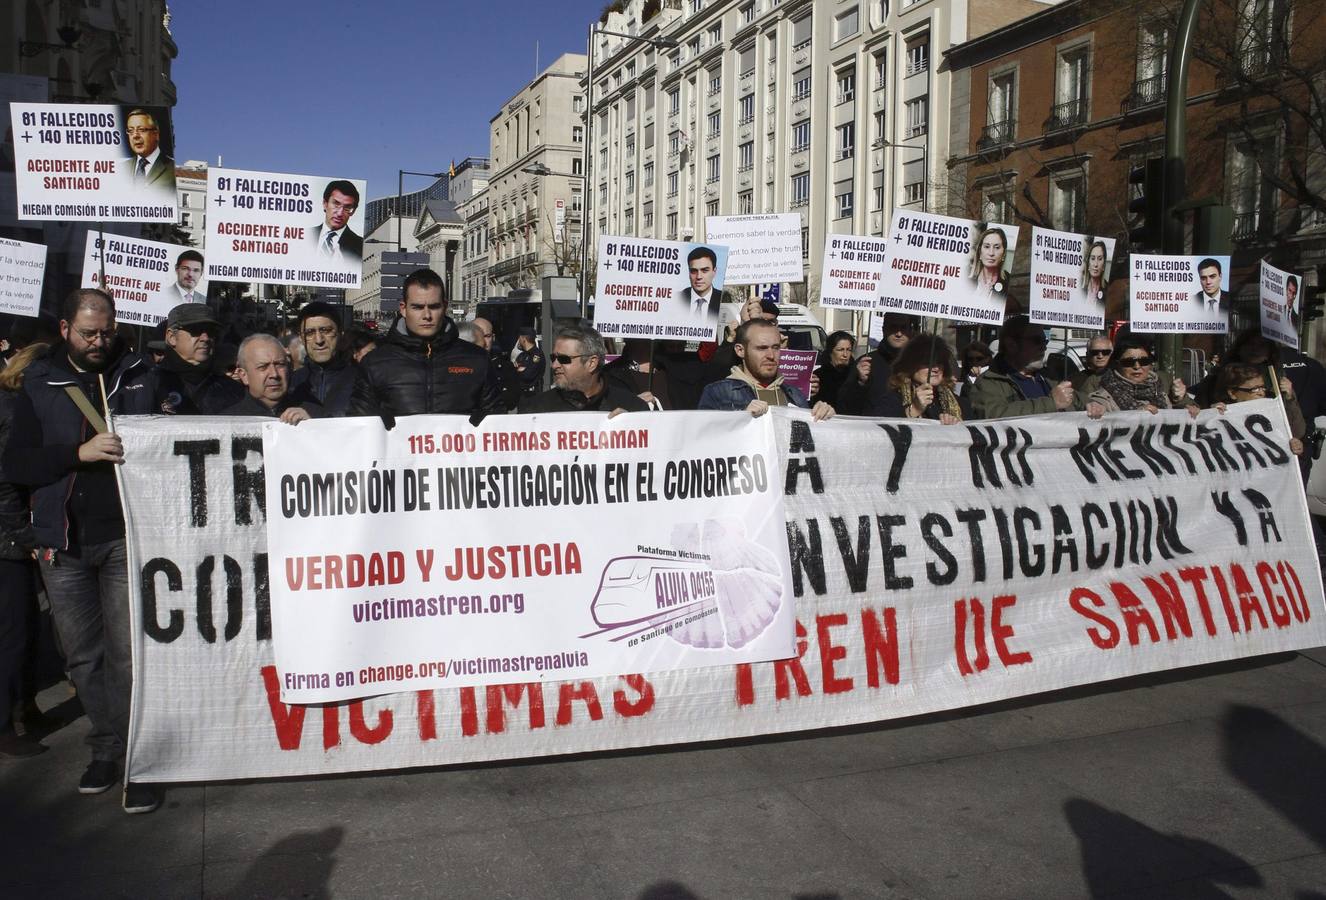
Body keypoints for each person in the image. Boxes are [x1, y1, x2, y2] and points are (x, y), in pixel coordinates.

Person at [2, 288, 160, 813]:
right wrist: (77, 453)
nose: (99, 341)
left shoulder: (138, 373)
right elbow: (19, 465)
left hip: (124, 537)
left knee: (128, 654)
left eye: (107, 331)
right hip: (63, 543)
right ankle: (109, 745)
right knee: (82, 658)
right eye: (88, 332)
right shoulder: (40, 383)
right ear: (66, 329)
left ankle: (135, 757)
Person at [349, 268, 499, 420]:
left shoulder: (477, 359)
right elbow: (359, 425)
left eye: (434, 307)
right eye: (418, 307)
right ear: (403, 309)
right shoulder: (374, 363)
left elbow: (497, 419)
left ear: (444, 307)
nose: (427, 315)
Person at [0, 343, 50, 759]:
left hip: (14, 537)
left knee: (28, 627)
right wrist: (23, 535)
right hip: (7, 542)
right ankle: (4, 724)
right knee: (13, 632)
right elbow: (5, 483)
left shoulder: (20, 406)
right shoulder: (13, 410)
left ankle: (25, 708)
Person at [698, 318, 834, 420]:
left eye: (775, 348)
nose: (770, 356)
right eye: (762, 348)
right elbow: (703, 442)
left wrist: (824, 418)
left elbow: (808, 442)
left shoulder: (795, 395)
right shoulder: (717, 393)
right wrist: (740, 419)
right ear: (740, 350)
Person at [969, 315, 1082, 419]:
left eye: (1045, 341)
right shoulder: (988, 383)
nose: (1044, 347)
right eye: (1037, 341)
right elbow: (994, 416)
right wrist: (1051, 403)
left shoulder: (1049, 378)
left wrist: (1094, 405)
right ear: (1011, 345)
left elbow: (1080, 402)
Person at [519, 323, 648, 414]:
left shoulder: (632, 407)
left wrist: (631, 425)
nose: (554, 365)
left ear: (591, 363)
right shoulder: (535, 410)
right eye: (553, 358)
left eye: (564, 359)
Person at [153, 302, 244, 415]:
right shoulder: (150, 384)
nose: (205, 338)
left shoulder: (233, 389)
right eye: (195, 330)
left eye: (211, 331)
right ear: (172, 337)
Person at [1086, 335, 1195, 418]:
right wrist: (1135, 417)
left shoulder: (1164, 385)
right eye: (1128, 362)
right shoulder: (1103, 396)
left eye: (1144, 361)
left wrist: (1182, 401)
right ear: (1117, 364)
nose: (1137, 366)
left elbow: (1194, 408)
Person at [1212, 363, 1305, 456]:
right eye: (1255, 389)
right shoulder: (1221, 412)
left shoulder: (1271, 408)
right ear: (1232, 393)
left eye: (1262, 388)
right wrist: (1211, 416)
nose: (1261, 393)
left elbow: (1297, 432)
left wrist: (1296, 445)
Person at [836, 312, 918, 415]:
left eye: (903, 328)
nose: (898, 334)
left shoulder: (920, 365)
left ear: (910, 331)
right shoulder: (866, 362)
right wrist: (859, 383)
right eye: (893, 327)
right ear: (884, 330)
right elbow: (844, 407)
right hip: (873, 428)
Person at [225, 334, 321, 422]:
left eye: (280, 365)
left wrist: (311, 428)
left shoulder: (313, 414)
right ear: (244, 375)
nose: (274, 374)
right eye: (263, 367)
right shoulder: (228, 422)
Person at [289, 301, 355, 415]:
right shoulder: (290, 383)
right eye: (309, 333)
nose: (319, 340)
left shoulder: (363, 381)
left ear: (340, 334)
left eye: (326, 331)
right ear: (301, 338)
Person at [881, 334, 965, 423]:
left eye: (940, 363)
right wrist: (914, 409)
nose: (936, 369)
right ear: (910, 366)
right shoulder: (892, 400)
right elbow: (881, 429)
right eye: (927, 363)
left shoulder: (960, 403)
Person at [459, 317, 522, 410]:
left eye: (487, 336)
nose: (483, 341)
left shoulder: (506, 367)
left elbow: (512, 399)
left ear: (493, 337)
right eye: (477, 336)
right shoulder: (456, 365)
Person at [119, 109, 174, 196]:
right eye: (130, 130)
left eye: (141, 130)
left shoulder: (172, 169)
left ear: (156, 134)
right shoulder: (121, 168)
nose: (135, 136)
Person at [310, 180, 363, 264]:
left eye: (347, 208)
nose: (339, 213)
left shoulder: (361, 247)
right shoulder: (304, 235)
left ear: (353, 211)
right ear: (325, 204)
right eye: (336, 204)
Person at [810, 331, 855, 407]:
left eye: (848, 350)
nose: (845, 354)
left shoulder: (855, 375)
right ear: (830, 352)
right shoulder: (818, 376)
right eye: (840, 350)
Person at [678, 246, 722, 321]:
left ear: (714, 271)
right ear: (689, 272)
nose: (698, 277)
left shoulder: (722, 300)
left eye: (705, 270)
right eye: (694, 271)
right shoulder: (677, 299)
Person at [969, 226, 1008, 300]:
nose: (991, 253)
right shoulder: (965, 276)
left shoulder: (1008, 284)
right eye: (987, 247)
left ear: (1004, 254)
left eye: (997, 247)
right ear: (980, 252)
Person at [513, 327, 545, 393]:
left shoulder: (537, 355)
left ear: (523, 339)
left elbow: (528, 375)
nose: (518, 341)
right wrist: (520, 370)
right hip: (521, 394)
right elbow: (513, 373)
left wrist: (519, 370)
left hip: (533, 395)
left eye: (519, 338)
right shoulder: (521, 355)